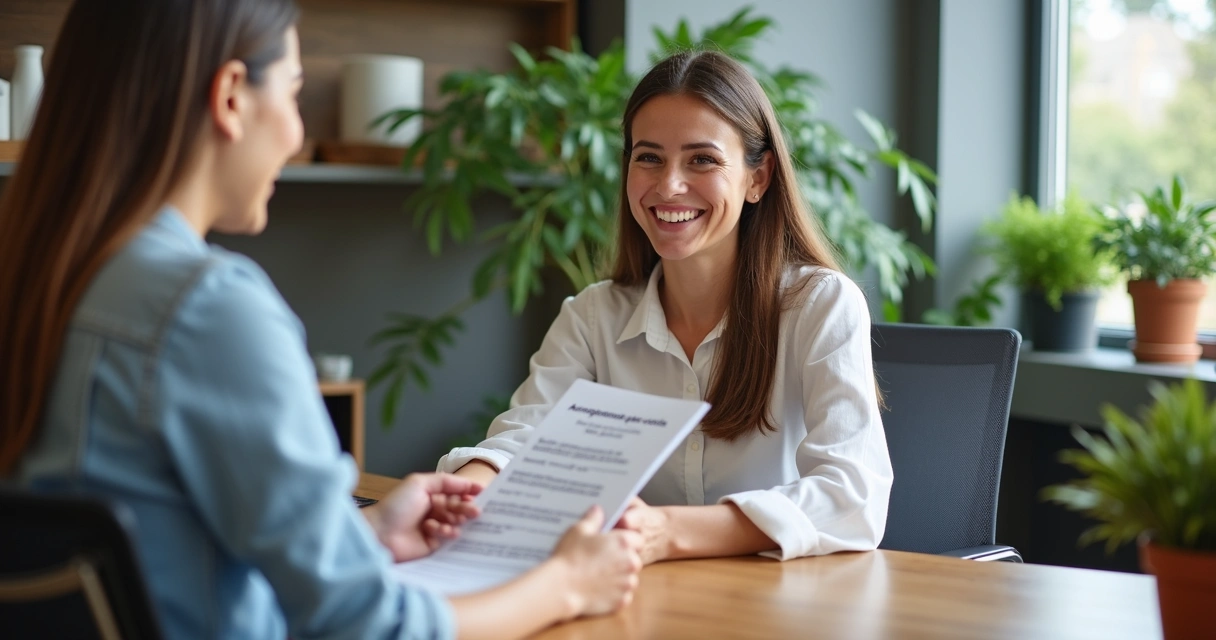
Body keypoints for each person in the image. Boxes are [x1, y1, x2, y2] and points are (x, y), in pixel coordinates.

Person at [0, 1, 641, 638]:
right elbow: (369, 627)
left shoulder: (38, 280)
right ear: (229, 97)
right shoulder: (206, 310)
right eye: (293, 93)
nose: (296, 135)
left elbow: (156, 548)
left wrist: (360, 534)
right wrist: (567, 584)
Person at [438, 50, 894, 564]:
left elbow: (853, 496)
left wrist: (669, 531)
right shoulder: (593, 316)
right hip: (637, 598)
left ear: (758, 178)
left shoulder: (820, 305)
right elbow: (523, 440)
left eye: (702, 159)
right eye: (648, 157)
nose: (668, 185)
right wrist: (462, 495)